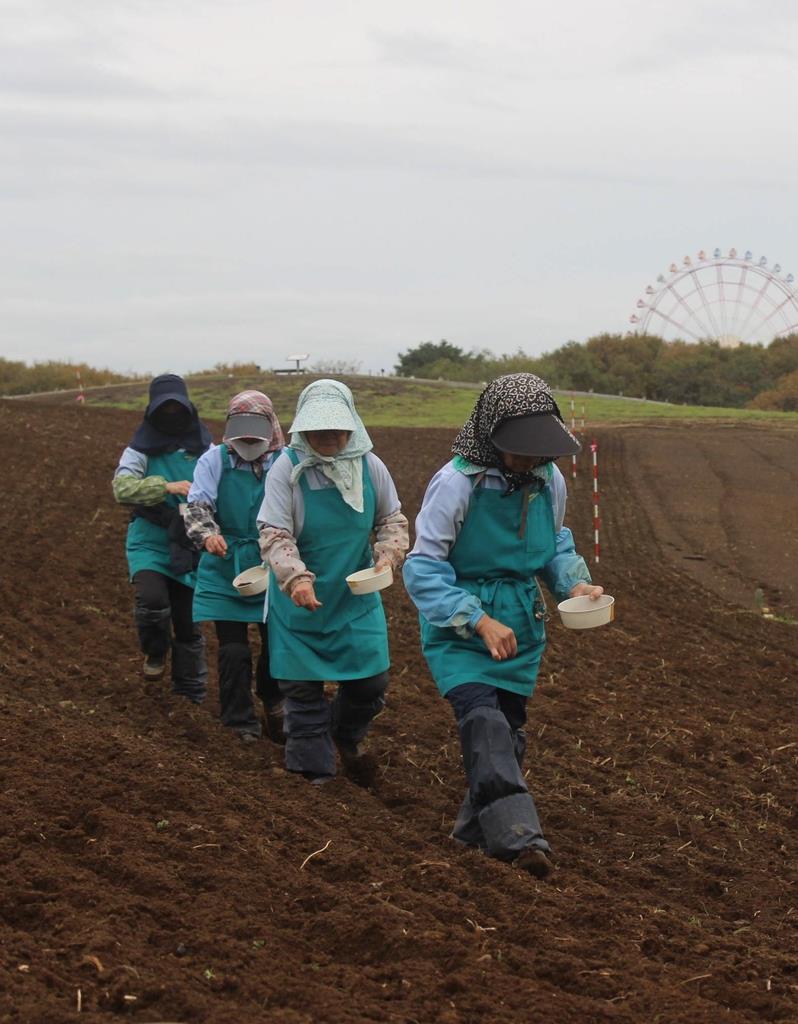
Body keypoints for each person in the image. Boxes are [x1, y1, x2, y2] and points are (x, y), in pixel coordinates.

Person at [403, 373, 603, 878]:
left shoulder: (548, 480)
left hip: (521, 624)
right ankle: (520, 840)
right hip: (459, 626)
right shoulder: (456, 483)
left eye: (539, 451)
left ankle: (470, 836)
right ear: (491, 435)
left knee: (507, 735)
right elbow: (422, 568)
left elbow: (554, 543)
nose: (531, 460)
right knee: (484, 723)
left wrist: (574, 586)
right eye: (521, 451)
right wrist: (477, 619)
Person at [257, 379, 409, 784]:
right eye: (318, 429)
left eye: (336, 429)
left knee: (369, 685)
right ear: (303, 429)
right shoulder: (286, 469)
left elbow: (391, 520)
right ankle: (314, 780)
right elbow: (274, 533)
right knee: (303, 694)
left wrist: (387, 556)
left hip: (355, 598)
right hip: (298, 603)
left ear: (352, 427)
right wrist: (296, 580)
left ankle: (346, 734)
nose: (328, 436)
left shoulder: (370, 466)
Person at [184, 391, 286, 744]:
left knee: (277, 641)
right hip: (226, 562)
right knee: (233, 648)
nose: (246, 441)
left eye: (252, 434)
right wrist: (208, 535)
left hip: (273, 561)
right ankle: (239, 721)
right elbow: (197, 505)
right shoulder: (213, 460)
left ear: (269, 427)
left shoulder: (285, 461)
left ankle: (274, 701)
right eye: (239, 434)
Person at [112, 374, 212, 703]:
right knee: (152, 600)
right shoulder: (139, 449)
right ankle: (155, 653)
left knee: (187, 623)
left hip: (188, 539)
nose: (171, 415)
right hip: (149, 537)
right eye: (164, 409)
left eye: (177, 408)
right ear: (152, 412)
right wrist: (165, 487)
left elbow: (222, 485)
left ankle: (190, 695)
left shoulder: (205, 449)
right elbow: (121, 488)